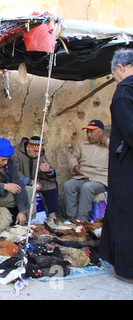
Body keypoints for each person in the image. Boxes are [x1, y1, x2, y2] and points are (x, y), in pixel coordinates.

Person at [99, 48, 133, 283]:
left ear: (121, 68)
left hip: (127, 165)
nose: (115, 80)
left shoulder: (124, 91)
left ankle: (126, 269)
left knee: (125, 213)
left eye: (114, 75)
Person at [63, 120, 109, 221]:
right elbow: (73, 157)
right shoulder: (82, 143)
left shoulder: (108, 144)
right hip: (83, 176)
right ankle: (72, 219)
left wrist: (106, 141)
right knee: (68, 185)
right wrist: (75, 166)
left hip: (100, 179)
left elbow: (119, 149)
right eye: (87, 132)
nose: (89, 135)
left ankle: (81, 221)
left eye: (92, 132)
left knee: (87, 188)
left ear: (100, 132)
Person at [12, 136, 59, 222]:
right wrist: (31, 182)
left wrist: (49, 170)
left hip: (37, 181)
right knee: (26, 188)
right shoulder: (16, 153)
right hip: (23, 182)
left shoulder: (41, 154)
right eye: (35, 151)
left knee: (52, 184)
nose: (37, 154)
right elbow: (15, 173)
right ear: (28, 147)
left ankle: (53, 215)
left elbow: (46, 171)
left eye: (39, 152)